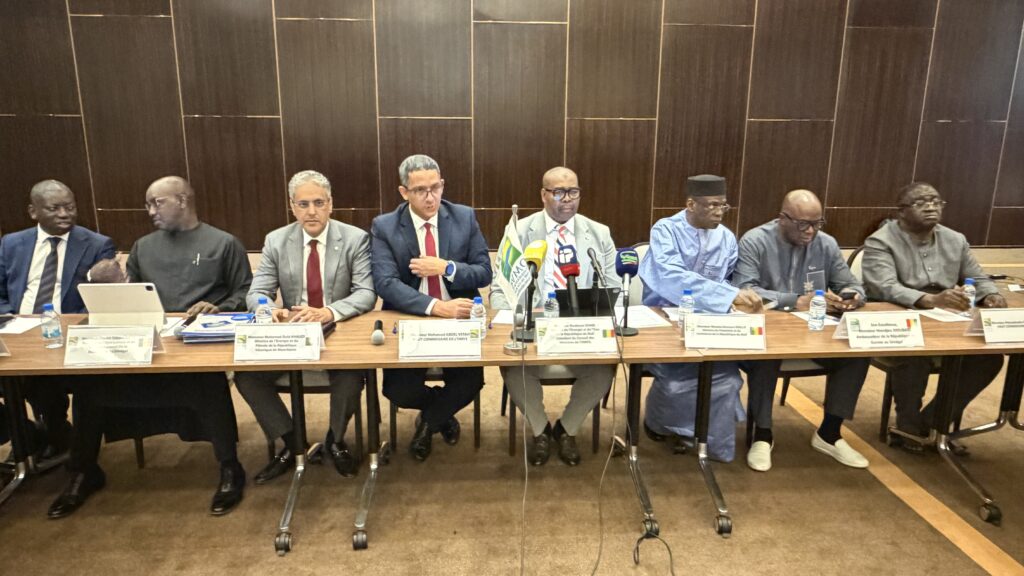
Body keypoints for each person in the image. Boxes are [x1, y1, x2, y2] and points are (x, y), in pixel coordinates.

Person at [48, 176, 252, 519]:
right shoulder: (143, 247)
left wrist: (219, 307)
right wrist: (110, 284)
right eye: (147, 205)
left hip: (196, 343)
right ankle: (84, 470)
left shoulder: (223, 243)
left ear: (183, 201)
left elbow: (245, 292)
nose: (150, 211)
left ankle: (229, 466)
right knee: (90, 384)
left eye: (157, 203)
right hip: (149, 341)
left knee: (207, 381)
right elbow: (131, 296)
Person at [235, 171, 376, 482]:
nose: (312, 211)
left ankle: (335, 441)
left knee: (352, 377)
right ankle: (293, 442)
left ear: (330, 204)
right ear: (292, 206)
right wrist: (267, 309)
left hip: (335, 330)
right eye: (303, 204)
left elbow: (366, 293)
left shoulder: (354, 239)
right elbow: (257, 292)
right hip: (292, 333)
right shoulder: (276, 240)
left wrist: (328, 312)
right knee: (247, 378)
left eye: (318, 203)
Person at [489, 167, 618, 466]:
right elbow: (498, 292)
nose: (567, 199)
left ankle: (566, 429)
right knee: (515, 369)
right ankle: (540, 431)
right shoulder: (519, 232)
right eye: (559, 192)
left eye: (573, 192)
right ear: (543, 195)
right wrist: (517, 319)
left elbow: (612, 288)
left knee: (604, 370)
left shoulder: (599, 233)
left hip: (580, 329)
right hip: (533, 326)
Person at [862, 182, 1005, 452]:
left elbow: (978, 277)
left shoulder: (955, 239)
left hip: (948, 323)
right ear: (901, 212)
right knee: (915, 354)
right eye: (921, 203)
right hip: (899, 322)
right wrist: (929, 300)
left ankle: (932, 424)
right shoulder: (881, 241)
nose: (930, 207)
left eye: (936, 201)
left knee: (988, 358)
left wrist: (990, 295)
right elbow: (883, 286)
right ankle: (907, 427)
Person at [733, 190, 869, 471]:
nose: (810, 231)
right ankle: (762, 434)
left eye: (817, 223)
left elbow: (851, 283)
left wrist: (851, 296)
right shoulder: (755, 241)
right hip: (767, 333)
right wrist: (794, 301)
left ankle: (829, 433)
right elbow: (744, 290)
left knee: (856, 351)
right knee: (768, 353)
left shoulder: (826, 244)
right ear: (782, 218)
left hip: (813, 334)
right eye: (803, 224)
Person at [371, 155, 492, 462]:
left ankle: (428, 423)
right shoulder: (385, 226)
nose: (430, 197)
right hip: (411, 318)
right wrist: (436, 307)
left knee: (470, 382)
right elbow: (386, 283)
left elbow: (484, 272)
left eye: (435, 187)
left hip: (460, 318)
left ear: (442, 185)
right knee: (398, 390)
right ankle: (441, 415)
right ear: (404, 192)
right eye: (420, 190)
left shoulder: (463, 217)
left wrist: (447, 267)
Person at [638, 174, 761, 462]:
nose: (719, 212)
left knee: (727, 379)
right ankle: (659, 425)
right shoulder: (666, 230)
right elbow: (670, 277)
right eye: (712, 205)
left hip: (710, 323)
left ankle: (707, 439)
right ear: (691, 204)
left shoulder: (726, 237)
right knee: (675, 380)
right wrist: (726, 296)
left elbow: (728, 280)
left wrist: (737, 297)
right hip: (665, 321)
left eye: (723, 205)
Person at [0, 180, 115, 457]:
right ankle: (26, 434)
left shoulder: (97, 244)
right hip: (14, 331)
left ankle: (55, 432)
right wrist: (8, 317)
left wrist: (70, 326)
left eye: (70, 207)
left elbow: (102, 301)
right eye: (54, 208)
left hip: (64, 337)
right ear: (33, 211)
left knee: (42, 380)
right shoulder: (11, 243)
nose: (64, 214)